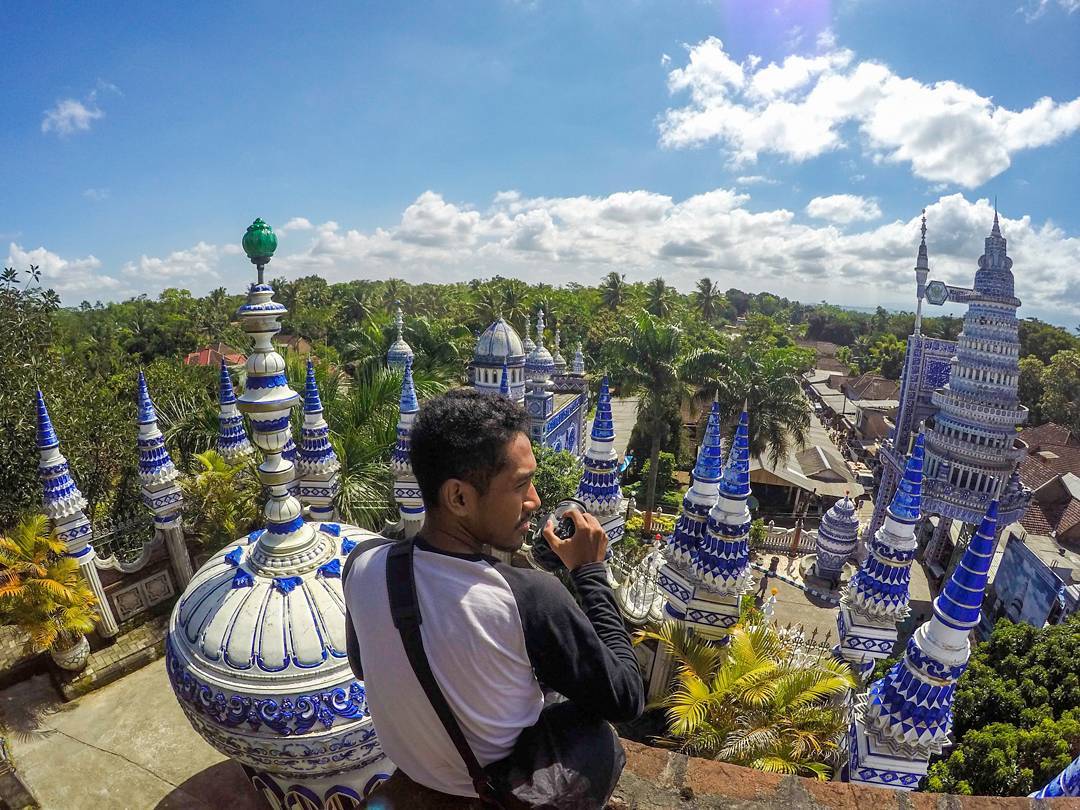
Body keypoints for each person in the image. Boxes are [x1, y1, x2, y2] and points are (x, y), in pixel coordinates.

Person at [343, 389, 644, 800]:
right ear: (459, 497)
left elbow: (364, 667)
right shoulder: (528, 597)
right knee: (591, 723)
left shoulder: (362, 563)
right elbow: (626, 697)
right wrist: (590, 572)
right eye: (521, 485)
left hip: (415, 773)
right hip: (496, 787)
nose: (535, 501)